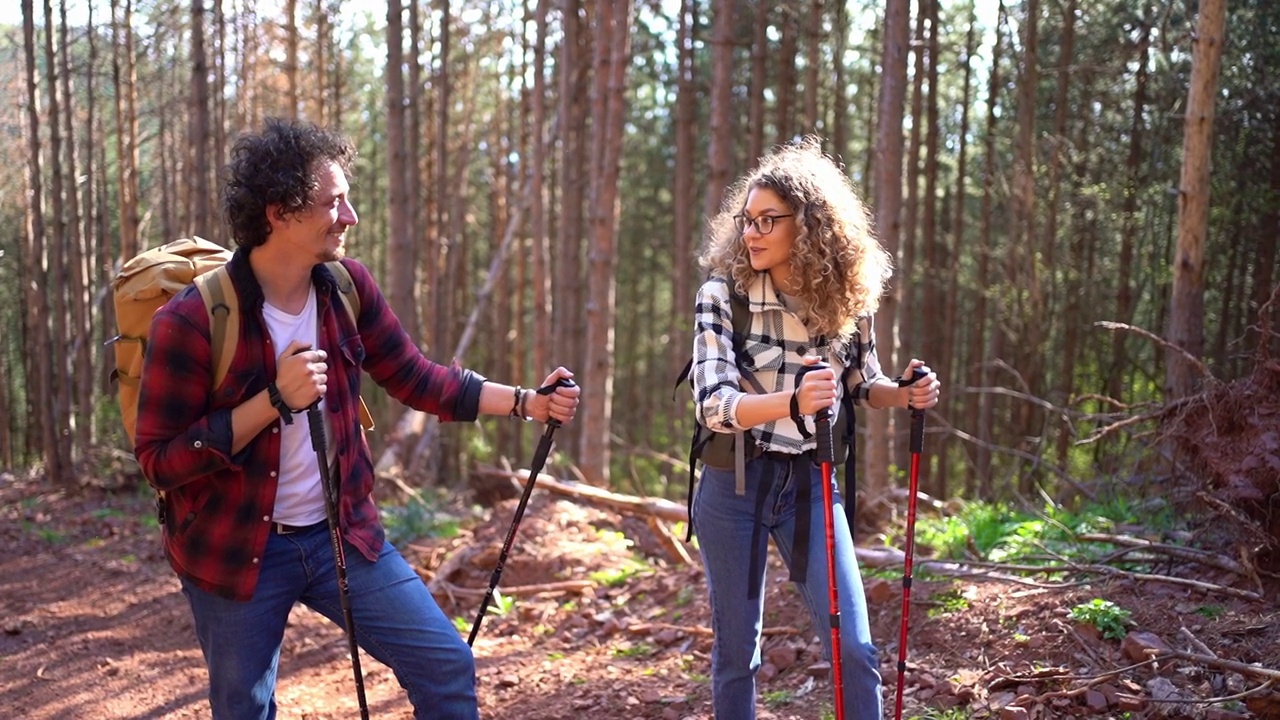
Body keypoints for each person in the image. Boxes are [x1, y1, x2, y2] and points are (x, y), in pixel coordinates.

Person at [134, 117, 581, 720]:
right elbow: (160, 462)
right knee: (244, 710)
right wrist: (273, 400)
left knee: (446, 665)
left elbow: (418, 378)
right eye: (332, 203)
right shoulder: (192, 320)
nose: (350, 217)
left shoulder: (347, 288)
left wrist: (528, 401)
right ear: (279, 213)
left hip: (340, 533)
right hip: (235, 550)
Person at [689, 136, 941, 719]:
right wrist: (792, 400)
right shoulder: (721, 295)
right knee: (737, 655)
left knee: (854, 645)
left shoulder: (846, 299)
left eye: (767, 221)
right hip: (734, 486)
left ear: (809, 226)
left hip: (809, 484)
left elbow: (861, 382)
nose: (750, 233)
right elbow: (712, 404)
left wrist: (903, 394)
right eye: (746, 220)